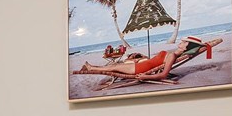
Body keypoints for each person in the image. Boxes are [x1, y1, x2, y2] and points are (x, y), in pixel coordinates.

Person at [77, 36, 217, 81]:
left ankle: (90, 68)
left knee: (113, 67)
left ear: (186, 47)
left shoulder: (172, 56)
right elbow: (156, 62)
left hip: (141, 69)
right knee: (113, 65)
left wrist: (145, 77)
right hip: (142, 64)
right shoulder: (172, 53)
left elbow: (162, 74)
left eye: (183, 42)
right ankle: (91, 67)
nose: (180, 42)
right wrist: (142, 58)